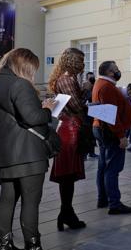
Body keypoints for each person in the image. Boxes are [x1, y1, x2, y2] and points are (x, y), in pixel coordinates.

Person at [0, 48, 57, 250]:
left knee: (7, 199)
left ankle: (5, 243)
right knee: (31, 201)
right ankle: (33, 245)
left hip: (5, 150)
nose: (34, 74)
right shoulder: (20, 83)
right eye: (33, 68)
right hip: (27, 152)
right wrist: (48, 109)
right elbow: (33, 117)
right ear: (24, 65)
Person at [48, 48, 87, 231]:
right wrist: (86, 92)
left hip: (67, 126)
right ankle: (66, 213)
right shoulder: (67, 79)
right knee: (68, 175)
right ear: (72, 60)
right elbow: (77, 105)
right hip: (70, 128)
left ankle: (66, 212)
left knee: (68, 176)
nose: (83, 63)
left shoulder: (65, 78)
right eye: (80, 59)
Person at [92, 61, 131, 215]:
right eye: (116, 69)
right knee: (112, 168)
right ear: (110, 72)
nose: (118, 71)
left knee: (103, 166)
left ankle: (103, 199)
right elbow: (110, 114)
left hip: (102, 128)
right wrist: (121, 135)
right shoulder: (106, 86)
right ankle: (114, 203)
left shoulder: (102, 84)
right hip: (109, 131)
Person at [81, 72, 98, 159]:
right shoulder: (85, 90)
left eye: (93, 79)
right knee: (86, 135)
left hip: (92, 115)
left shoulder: (95, 89)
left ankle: (92, 153)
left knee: (92, 135)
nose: (92, 81)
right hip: (85, 116)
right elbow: (81, 102)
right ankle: (84, 155)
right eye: (90, 79)